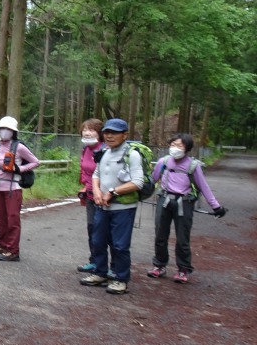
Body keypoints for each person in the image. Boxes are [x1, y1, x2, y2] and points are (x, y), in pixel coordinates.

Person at [147, 133, 227, 284]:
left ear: (187, 148)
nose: (175, 148)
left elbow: (203, 186)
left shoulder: (193, 166)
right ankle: (159, 265)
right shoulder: (163, 162)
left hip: (184, 203)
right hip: (164, 200)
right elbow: (152, 180)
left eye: (179, 146)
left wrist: (216, 206)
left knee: (182, 238)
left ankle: (183, 269)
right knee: (160, 235)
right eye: (173, 145)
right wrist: (138, 192)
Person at [80, 118, 143, 294]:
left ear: (125, 135)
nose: (109, 136)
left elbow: (138, 182)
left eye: (114, 133)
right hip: (102, 206)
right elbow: (96, 174)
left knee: (120, 245)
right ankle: (100, 272)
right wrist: (96, 191)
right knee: (98, 240)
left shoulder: (132, 155)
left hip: (123, 208)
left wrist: (112, 192)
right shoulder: (104, 152)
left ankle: (120, 278)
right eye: (107, 132)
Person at [0, 115, 40, 262]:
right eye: (3, 128)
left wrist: (19, 169)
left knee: (12, 219)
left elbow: (35, 162)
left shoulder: (19, 147)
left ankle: (13, 250)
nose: (5, 131)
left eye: (8, 129)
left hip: (13, 188)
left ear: (13, 131)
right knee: (1, 218)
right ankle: (3, 245)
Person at [76, 119, 105, 273]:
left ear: (100, 133)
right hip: (89, 196)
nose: (87, 133)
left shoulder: (105, 149)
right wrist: (85, 187)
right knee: (92, 229)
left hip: (105, 197)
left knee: (105, 232)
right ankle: (94, 261)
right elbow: (85, 171)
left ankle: (111, 266)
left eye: (91, 130)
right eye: (85, 130)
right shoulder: (85, 149)